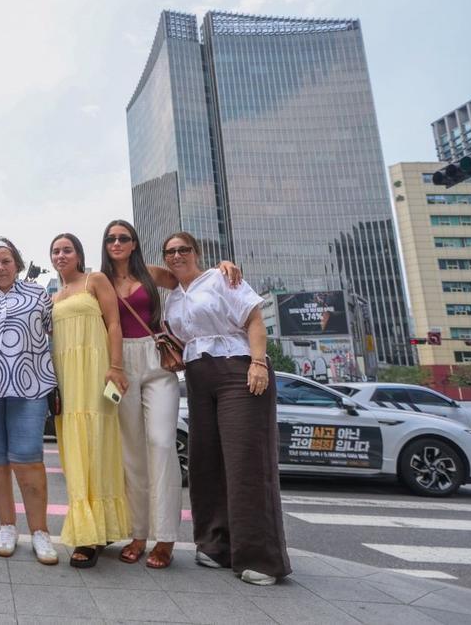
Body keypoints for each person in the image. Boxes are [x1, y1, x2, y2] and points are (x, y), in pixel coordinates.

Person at [101, 220, 241, 569]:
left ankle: (165, 538)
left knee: (162, 444)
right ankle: (137, 534)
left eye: (124, 238)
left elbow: (190, 276)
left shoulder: (151, 273)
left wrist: (221, 268)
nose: (117, 243)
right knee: (131, 452)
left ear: (134, 243)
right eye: (111, 238)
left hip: (156, 359)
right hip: (119, 364)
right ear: (105, 245)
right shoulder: (98, 282)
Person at [161, 231, 291, 586]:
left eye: (183, 249)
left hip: (238, 370)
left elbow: (254, 320)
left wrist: (259, 363)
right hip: (199, 378)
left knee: (246, 462)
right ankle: (215, 545)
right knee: (207, 462)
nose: (177, 256)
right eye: (170, 252)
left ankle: (261, 558)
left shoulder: (221, 278)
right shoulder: (173, 297)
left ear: (197, 252)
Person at [0, 237, 60, 565]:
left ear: (17, 264)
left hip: (30, 386)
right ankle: (6, 526)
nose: (0, 267)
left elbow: (55, 335)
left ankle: (40, 531)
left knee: (28, 459)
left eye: (6, 261)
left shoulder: (39, 296)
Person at [48, 233, 129, 568]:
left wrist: (115, 366)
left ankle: (91, 535)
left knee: (98, 446)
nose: (61, 255)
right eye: (55, 251)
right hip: (66, 377)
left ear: (79, 255)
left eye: (67, 249)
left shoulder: (95, 280)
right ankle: (93, 527)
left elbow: (113, 323)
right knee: (75, 450)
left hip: (95, 372)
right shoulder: (54, 295)